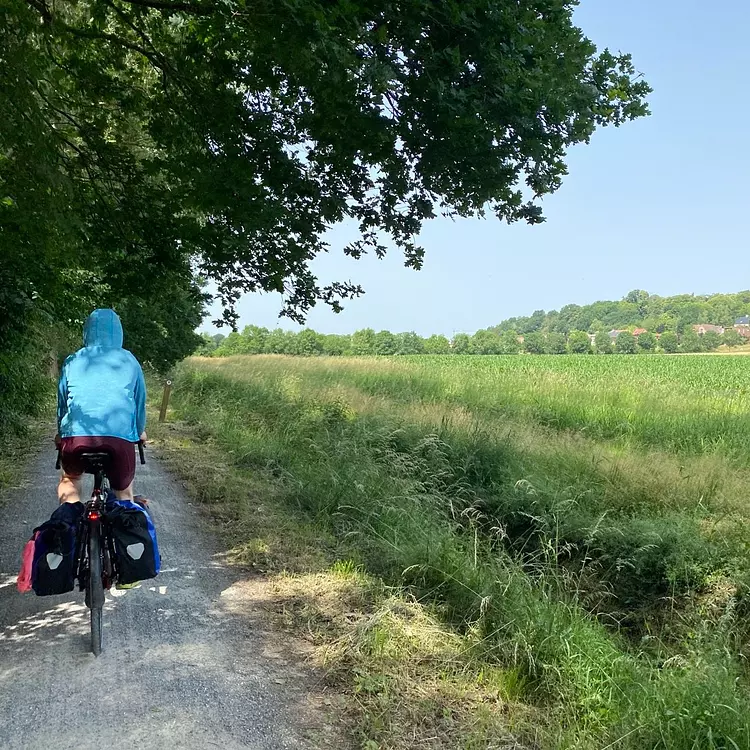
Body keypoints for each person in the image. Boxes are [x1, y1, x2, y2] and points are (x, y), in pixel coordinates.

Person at [56, 309, 147, 504]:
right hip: (120, 439)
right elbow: (139, 402)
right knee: (124, 491)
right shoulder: (129, 360)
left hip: (75, 437)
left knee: (70, 479)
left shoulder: (73, 360)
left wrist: (60, 433)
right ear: (119, 332)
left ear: (87, 332)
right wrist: (139, 431)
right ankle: (125, 515)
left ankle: (67, 519)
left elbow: (62, 404)